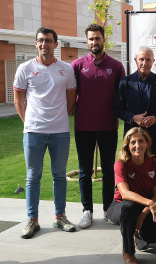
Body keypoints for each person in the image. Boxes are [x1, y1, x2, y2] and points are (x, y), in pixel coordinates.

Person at [14, 27, 78, 239]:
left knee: (59, 176)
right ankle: (32, 220)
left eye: (49, 41)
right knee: (33, 177)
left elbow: (71, 100)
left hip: (60, 131)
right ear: (36, 44)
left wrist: (59, 119)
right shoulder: (25, 68)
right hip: (34, 132)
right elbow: (18, 100)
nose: (44, 44)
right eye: (41, 40)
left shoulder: (67, 69)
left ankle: (60, 216)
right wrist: (30, 123)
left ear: (56, 45)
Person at [72, 24, 126, 229]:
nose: (94, 42)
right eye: (91, 39)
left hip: (108, 126)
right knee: (85, 171)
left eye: (97, 38)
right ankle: (87, 210)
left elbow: (121, 96)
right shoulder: (77, 66)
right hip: (83, 127)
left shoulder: (116, 66)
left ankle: (107, 209)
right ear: (87, 41)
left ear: (104, 40)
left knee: (109, 172)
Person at [107, 127, 156, 264]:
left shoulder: (155, 164)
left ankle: (136, 235)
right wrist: (150, 203)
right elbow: (125, 193)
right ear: (127, 145)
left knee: (154, 236)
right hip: (120, 206)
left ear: (147, 143)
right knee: (130, 206)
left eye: (141, 141)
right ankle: (128, 251)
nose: (137, 146)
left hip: (143, 206)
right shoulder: (120, 164)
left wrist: (142, 216)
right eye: (133, 142)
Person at [113, 46, 156, 166]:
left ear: (153, 61)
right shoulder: (125, 82)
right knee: (133, 173)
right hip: (133, 139)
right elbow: (117, 108)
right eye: (141, 59)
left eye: (148, 60)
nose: (144, 63)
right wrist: (132, 117)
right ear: (136, 60)